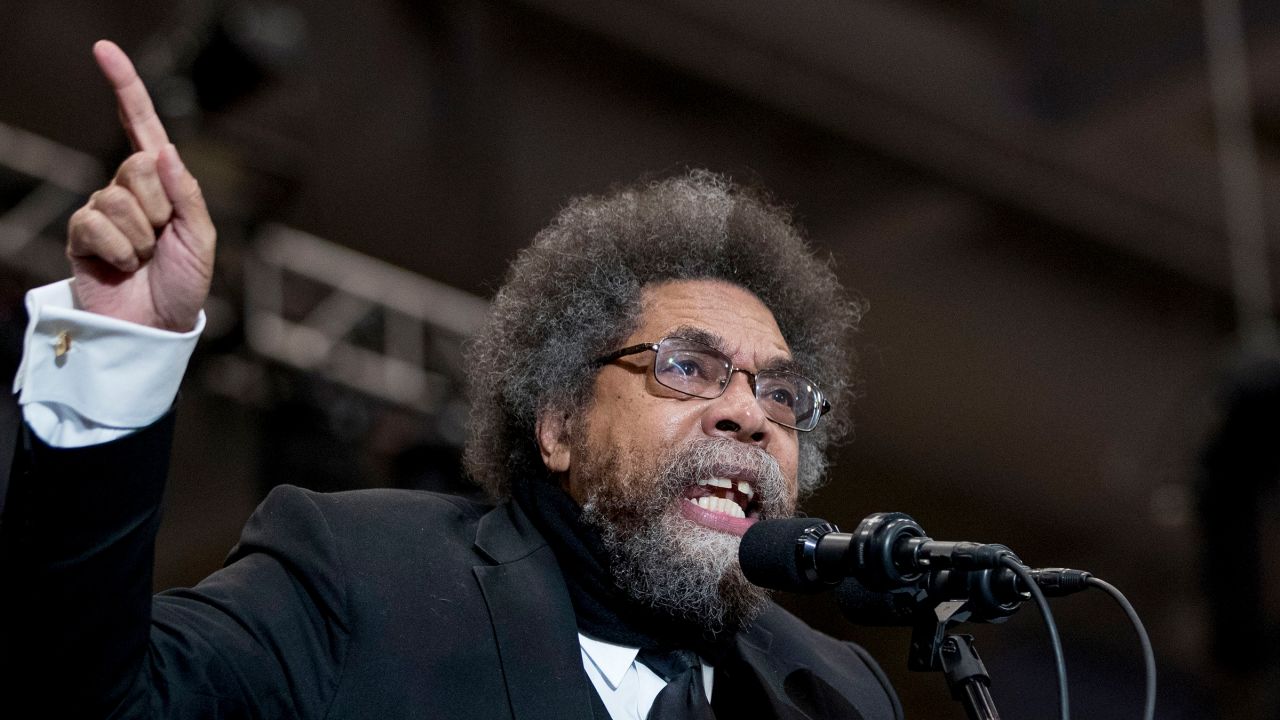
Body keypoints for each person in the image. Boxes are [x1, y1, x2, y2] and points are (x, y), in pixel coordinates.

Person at [0, 41, 901, 719]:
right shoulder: (364, 577)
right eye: (689, 368)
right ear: (557, 423)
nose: (749, 413)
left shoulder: (836, 690)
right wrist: (116, 355)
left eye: (780, 394)